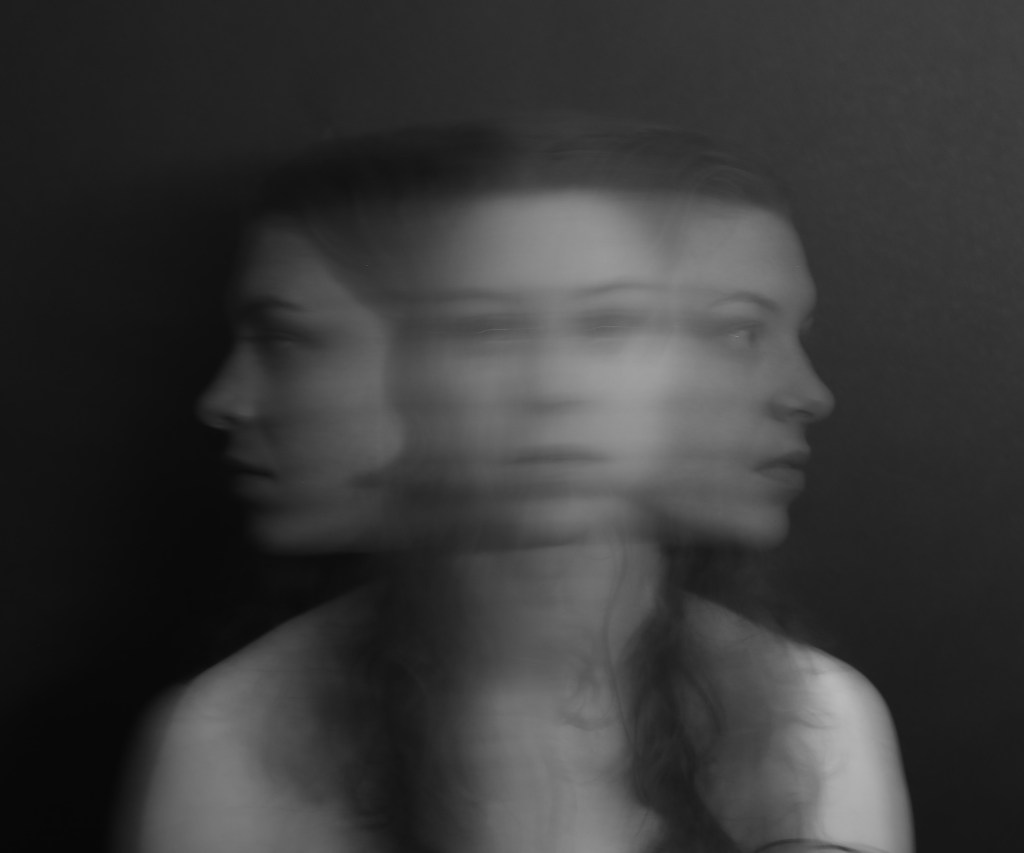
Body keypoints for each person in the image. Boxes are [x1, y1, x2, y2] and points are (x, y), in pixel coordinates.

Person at [121, 117, 913, 853]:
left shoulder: (813, 716)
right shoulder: (234, 732)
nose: (549, 384)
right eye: (491, 328)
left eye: (605, 325)